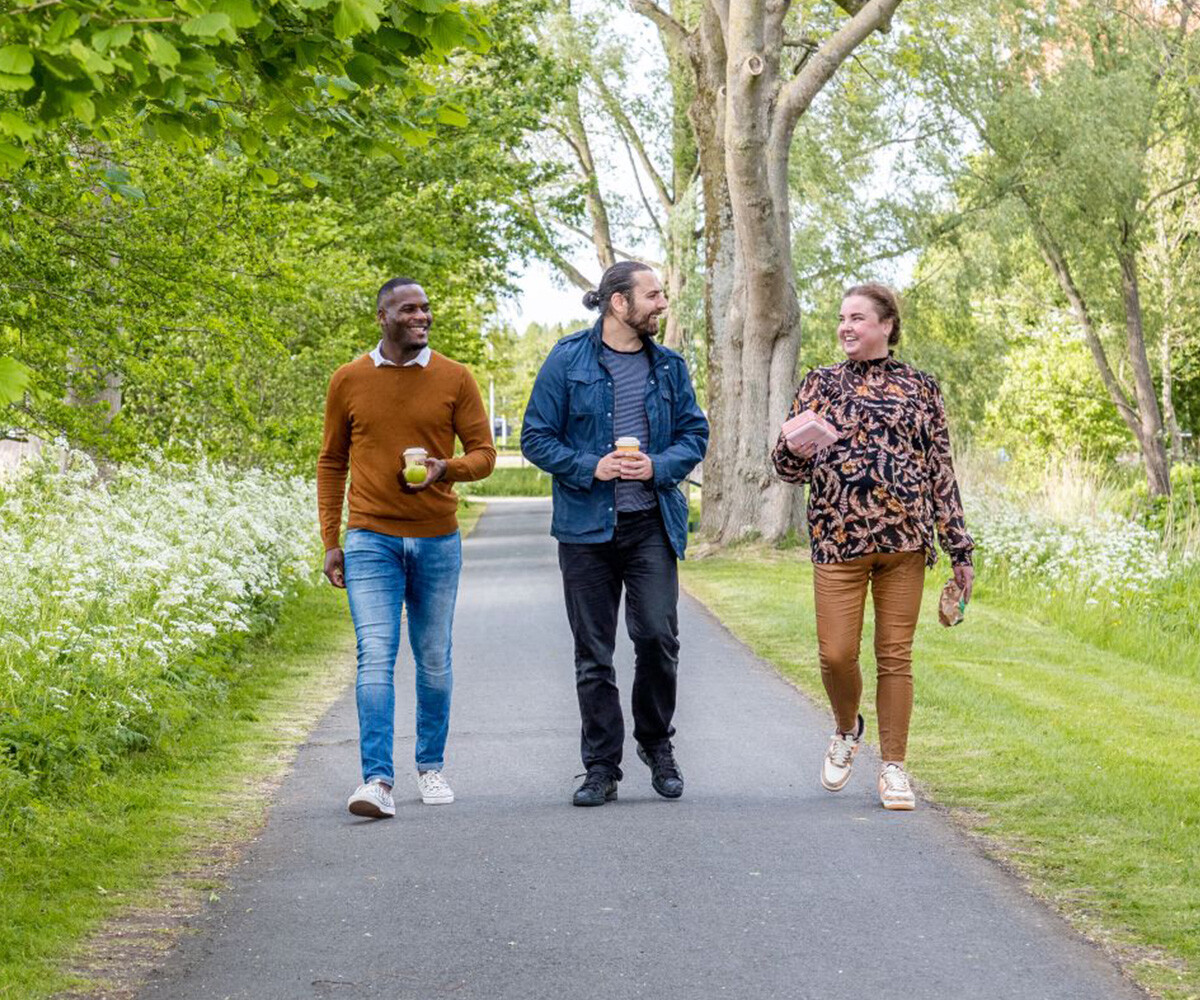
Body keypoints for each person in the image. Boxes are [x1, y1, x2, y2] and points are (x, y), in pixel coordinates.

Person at [771, 283, 974, 811]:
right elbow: (786, 469)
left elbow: (941, 472)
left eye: (857, 318)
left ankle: (895, 768)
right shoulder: (820, 384)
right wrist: (792, 447)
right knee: (836, 654)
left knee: (895, 657)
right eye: (842, 317)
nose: (846, 326)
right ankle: (846, 729)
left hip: (905, 545)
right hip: (837, 541)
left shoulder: (921, 388)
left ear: (886, 325)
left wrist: (960, 549)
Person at [521, 262, 709, 807]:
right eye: (652, 295)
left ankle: (656, 743)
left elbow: (694, 433)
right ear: (617, 303)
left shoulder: (669, 366)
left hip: (650, 520)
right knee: (593, 653)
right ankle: (601, 767)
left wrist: (657, 465)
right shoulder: (567, 359)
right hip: (585, 529)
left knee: (657, 638)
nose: (661, 303)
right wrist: (589, 467)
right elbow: (536, 436)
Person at [317, 277, 496, 819]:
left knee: (434, 658)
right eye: (409, 309)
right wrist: (331, 540)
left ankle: (431, 765)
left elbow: (484, 454)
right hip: (370, 539)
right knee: (375, 654)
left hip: (437, 539)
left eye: (426, 308)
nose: (421, 316)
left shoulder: (454, 377)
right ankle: (376, 781)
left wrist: (447, 469)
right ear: (383, 317)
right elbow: (331, 463)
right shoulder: (349, 379)